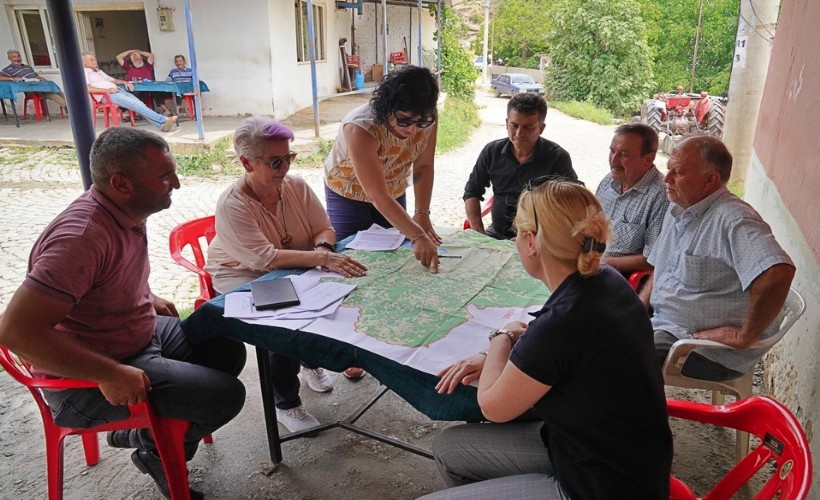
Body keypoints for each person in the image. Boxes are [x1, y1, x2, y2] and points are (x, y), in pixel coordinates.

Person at [0, 127, 247, 500]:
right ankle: (144, 441)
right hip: (88, 377)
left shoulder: (126, 211)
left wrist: (146, 294)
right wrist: (108, 372)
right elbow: (16, 332)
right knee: (225, 396)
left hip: (137, 338)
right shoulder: (81, 237)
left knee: (226, 343)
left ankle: (163, 451)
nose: (177, 184)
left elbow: (101, 279)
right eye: (165, 177)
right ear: (121, 183)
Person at [425, 180, 672, 499]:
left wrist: (500, 338)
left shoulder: (563, 321)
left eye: (517, 233)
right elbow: (560, 350)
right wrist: (499, 356)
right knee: (449, 447)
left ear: (531, 242)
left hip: (600, 486)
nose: (514, 240)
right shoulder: (605, 280)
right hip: (613, 457)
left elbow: (493, 406)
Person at [206, 117, 368, 432]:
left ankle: (309, 360)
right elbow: (264, 258)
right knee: (281, 321)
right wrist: (323, 259)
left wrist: (322, 250)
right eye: (275, 161)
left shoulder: (295, 186)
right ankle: (286, 403)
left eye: (288, 158)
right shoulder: (233, 204)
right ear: (246, 163)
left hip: (294, 265)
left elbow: (324, 227)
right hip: (245, 278)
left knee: (337, 294)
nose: (285, 168)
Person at [641, 136, 795, 380]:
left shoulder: (733, 219)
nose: (667, 179)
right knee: (593, 333)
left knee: (620, 359)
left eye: (678, 172)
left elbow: (778, 272)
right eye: (668, 168)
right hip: (664, 322)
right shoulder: (679, 207)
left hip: (700, 347)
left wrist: (744, 336)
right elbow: (662, 266)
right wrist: (637, 307)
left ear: (710, 179)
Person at [324, 65, 442, 272]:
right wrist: (418, 235)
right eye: (404, 120)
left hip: (393, 188)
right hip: (348, 190)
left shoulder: (427, 117)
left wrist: (421, 213)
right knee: (353, 257)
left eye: (421, 122)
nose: (412, 129)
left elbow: (424, 165)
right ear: (387, 107)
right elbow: (377, 194)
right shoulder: (361, 127)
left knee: (394, 257)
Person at [463, 93, 576, 240]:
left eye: (528, 127)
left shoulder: (557, 158)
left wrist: (534, 238)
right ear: (506, 123)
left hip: (539, 240)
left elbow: (572, 205)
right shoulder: (492, 152)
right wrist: (479, 233)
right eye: (514, 125)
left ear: (541, 128)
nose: (519, 133)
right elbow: (472, 191)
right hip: (495, 235)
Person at [595, 124, 668, 275]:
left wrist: (600, 263)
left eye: (624, 154)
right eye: (612, 151)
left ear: (648, 159)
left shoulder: (661, 196)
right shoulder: (608, 182)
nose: (614, 160)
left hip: (620, 277)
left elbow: (652, 259)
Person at [83, 51, 177, 132]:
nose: (94, 61)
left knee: (140, 104)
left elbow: (114, 80)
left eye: (94, 59)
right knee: (136, 105)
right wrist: (108, 90)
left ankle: (162, 125)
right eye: (91, 60)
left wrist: (126, 82)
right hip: (107, 95)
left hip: (118, 91)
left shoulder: (98, 71)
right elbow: (86, 88)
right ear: (83, 62)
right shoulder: (84, 72)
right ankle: (164, 119)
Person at [0, 49, 67, 111]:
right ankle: (68, 108)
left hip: (40, 85)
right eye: (14, 57)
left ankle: (73, 105)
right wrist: (12, 78)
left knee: (57, 91)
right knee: (52, 94)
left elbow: (36, 76)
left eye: (18, 56)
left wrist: (43, 80)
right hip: (31, 89)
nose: (17, 58)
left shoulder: (27, 67)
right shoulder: (8, 69)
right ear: (9, 58)